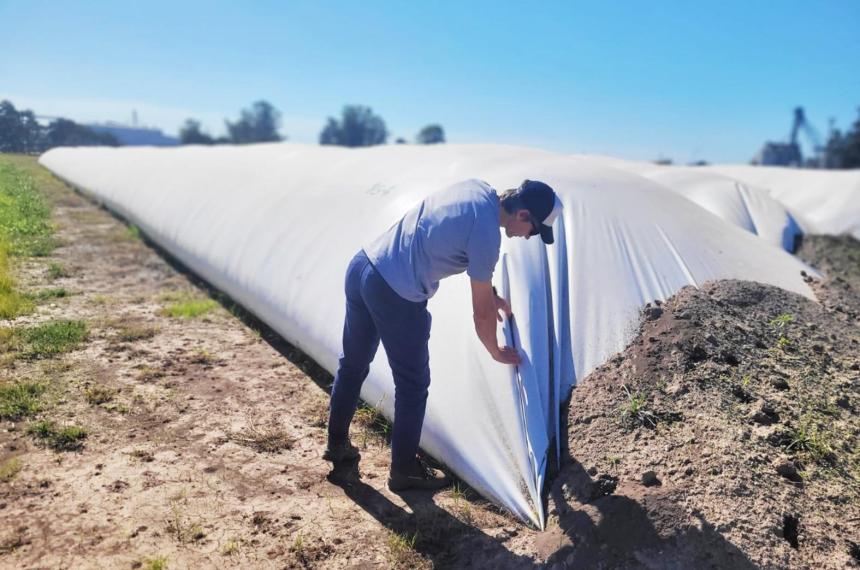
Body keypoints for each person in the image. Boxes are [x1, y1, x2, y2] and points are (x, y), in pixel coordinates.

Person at [324, 178, 562, 491]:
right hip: (395, 292)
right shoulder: (488, 235)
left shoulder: (476, 189)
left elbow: (447, 234)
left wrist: (492, 294)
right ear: (522, 216)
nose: (529, 238)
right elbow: (482, 314)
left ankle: (337, 445)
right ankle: (404, 471)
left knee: (353, 364)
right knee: (412, 385)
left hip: (364, 266)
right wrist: (495, 350)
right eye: (534, 231)